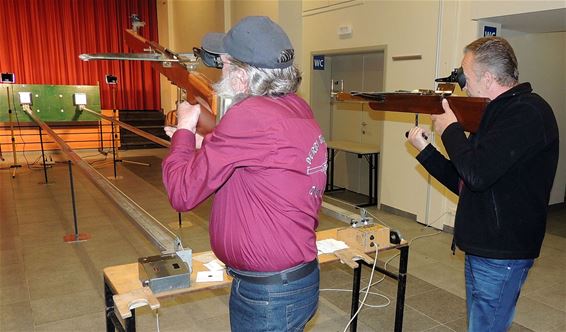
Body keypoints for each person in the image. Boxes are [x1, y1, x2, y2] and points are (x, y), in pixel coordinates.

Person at [162, 16, 327, 331]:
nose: (220, 72)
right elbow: (259, 163)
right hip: (292, 282)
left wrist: (184, 129)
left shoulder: (249, 114)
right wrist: (204, 145)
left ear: (241, 76)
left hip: (268, 295)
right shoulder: (296, 107)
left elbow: (181, 193)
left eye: (224, 64)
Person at [407, 36, 559, 331]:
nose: (463, 84)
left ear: (488, 77)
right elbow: (467, 182)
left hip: (502, 250)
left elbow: (475, 173)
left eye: (466, 75)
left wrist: (450, 129)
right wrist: (426, 152)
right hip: (484, 246)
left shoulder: (527, 113)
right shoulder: (497, 113)